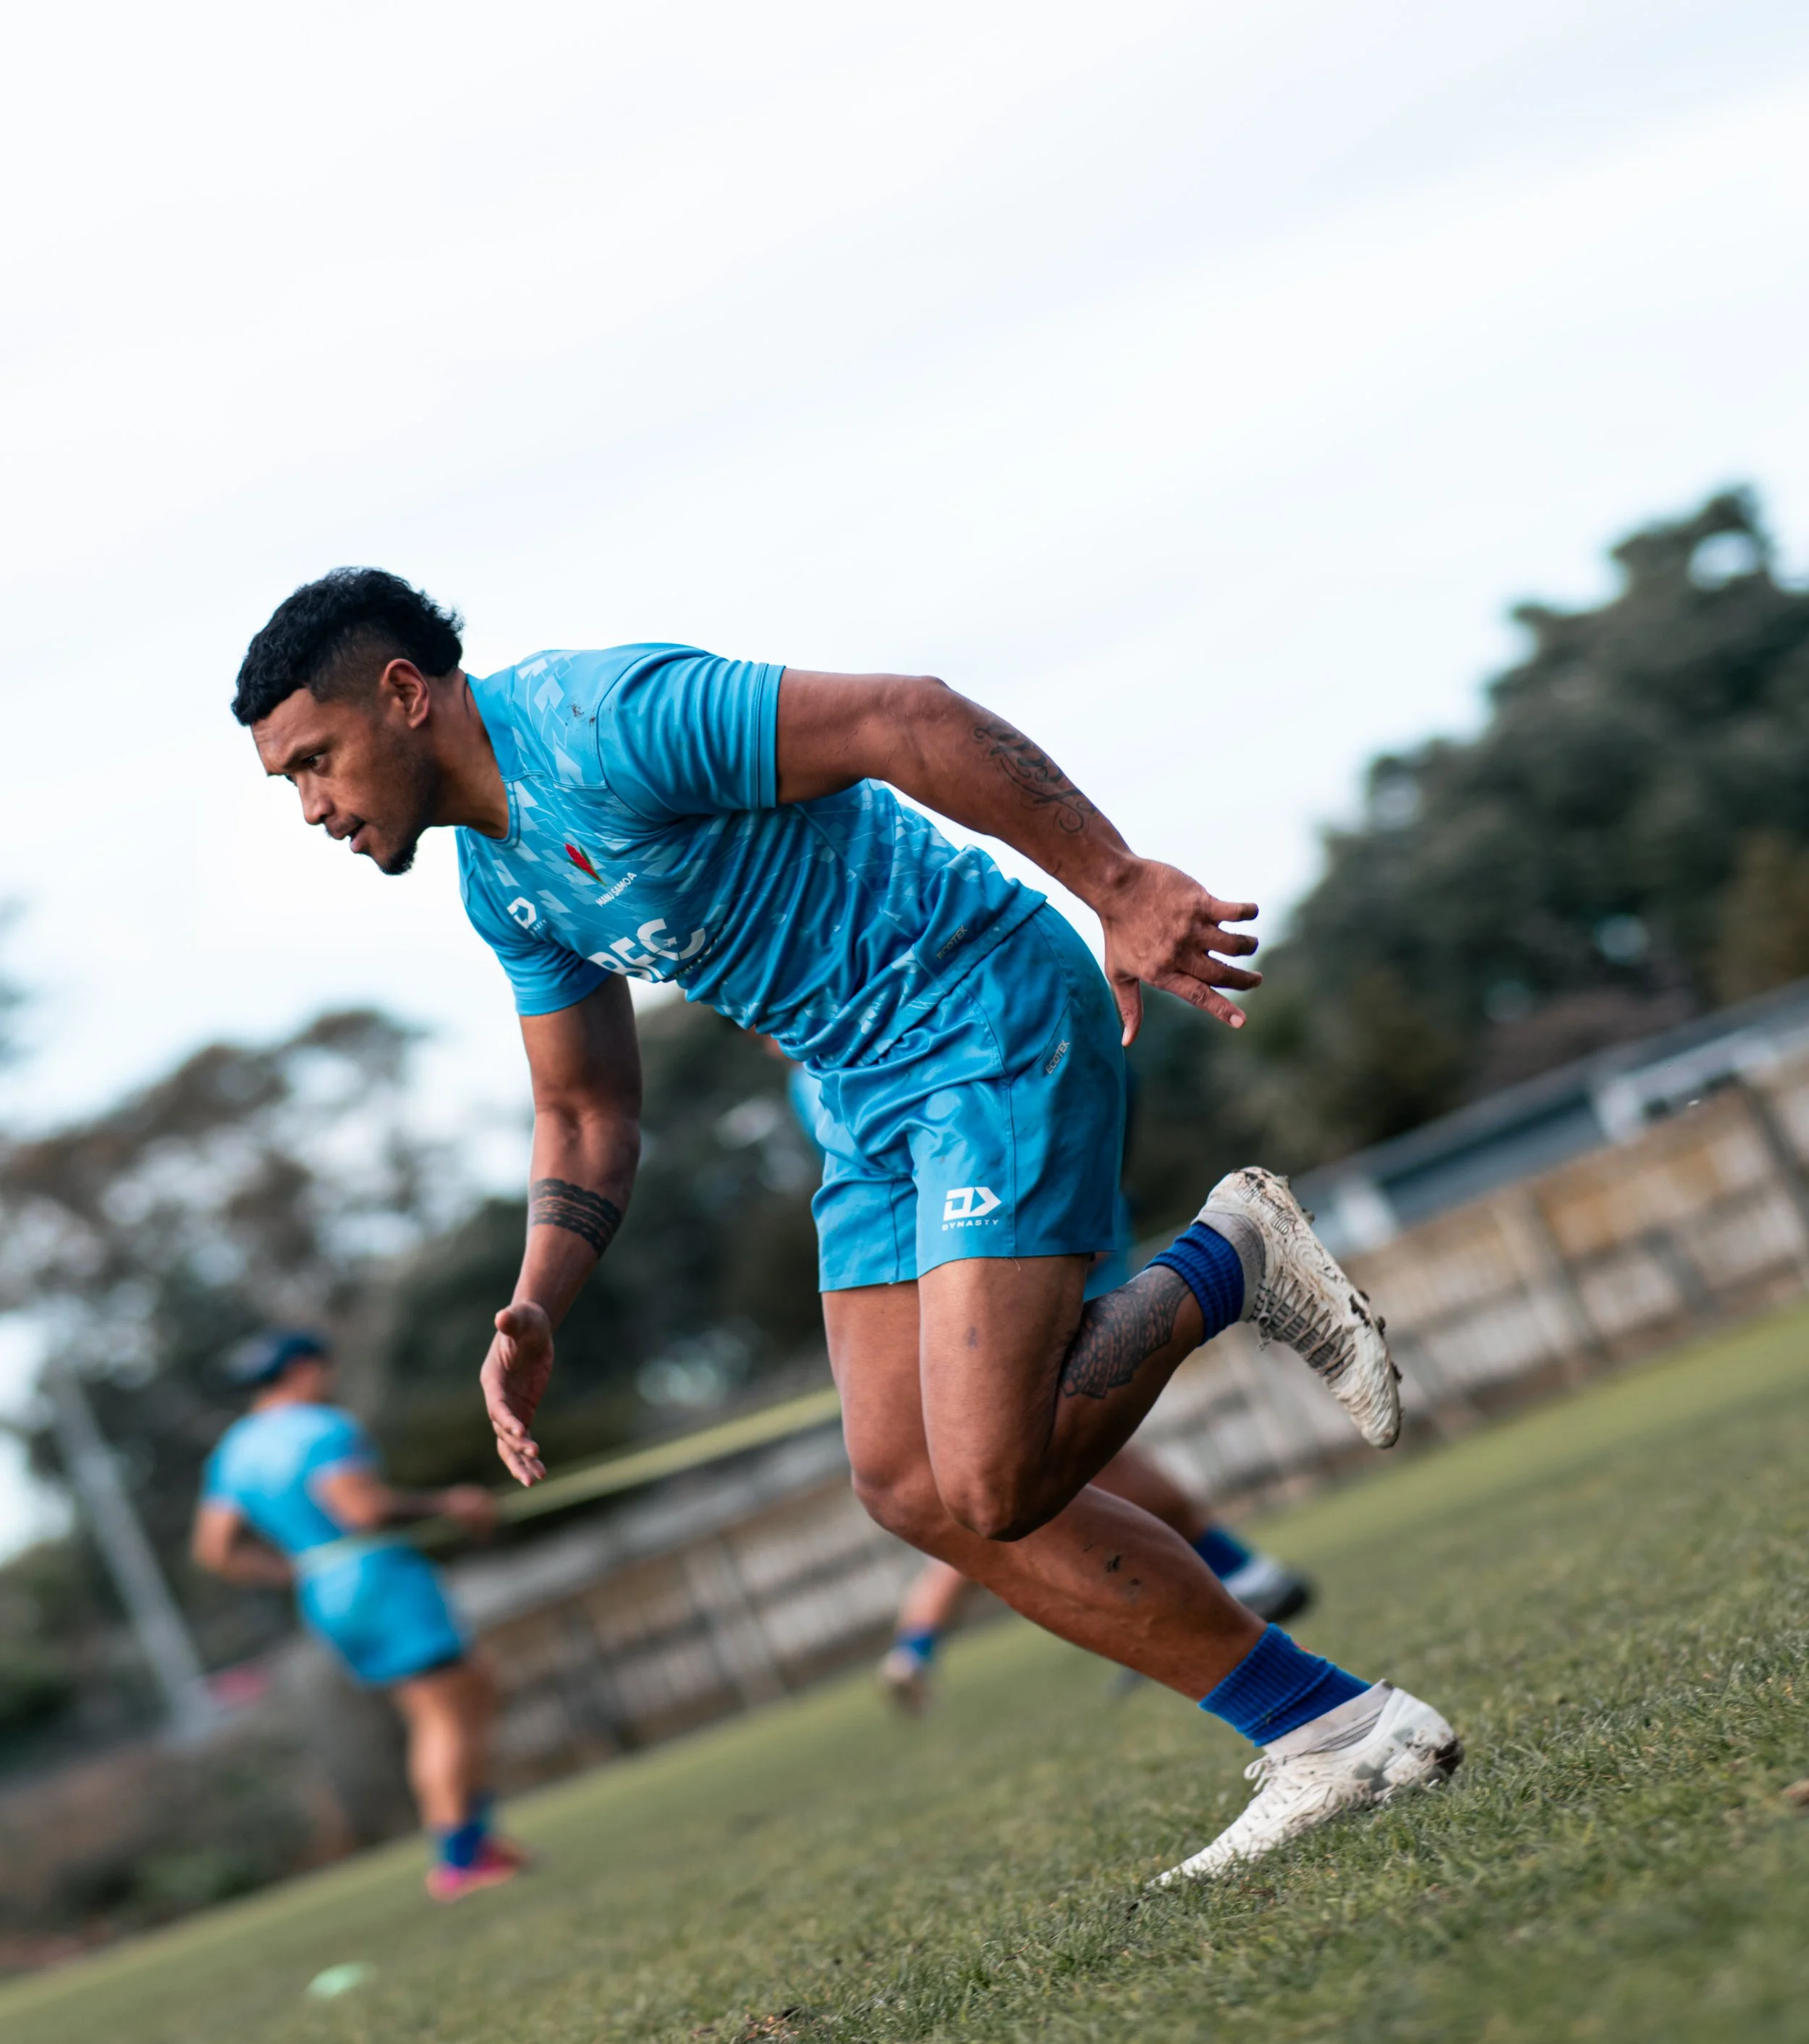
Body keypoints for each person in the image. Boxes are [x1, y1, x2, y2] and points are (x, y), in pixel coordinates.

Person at [232, 569, 1462, 1883]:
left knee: (993, 1477)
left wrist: (1116, 884)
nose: (313, 807)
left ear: (405, 696)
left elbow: (906, 717)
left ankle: (1237, 1258)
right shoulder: (500, 884)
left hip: (980, 1013)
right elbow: (586, 1110)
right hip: (858, 1094)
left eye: (316, 762)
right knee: (911, 1489)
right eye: (287, 784)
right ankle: (1333, 1729)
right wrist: (537, 1305)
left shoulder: (607, 719)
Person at [785, 1064, 1315, 1710]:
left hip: (1000, 1204)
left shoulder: (876, 1014)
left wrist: (1088, 1171)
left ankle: (1230, 1255)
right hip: (939, 1226)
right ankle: (1251, 1597)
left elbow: (1107, 1066)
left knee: (1013, 1456)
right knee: (961, 1476)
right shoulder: (806, 1073)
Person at [191, 1330, 527, 1901]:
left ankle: (477, 1841)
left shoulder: (234, 1450)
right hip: (378, 1577)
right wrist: (451, 1503)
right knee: (442, 1714)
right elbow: (360, 1508)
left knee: (472, 1688)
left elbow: (215, 1550)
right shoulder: (323, 1427)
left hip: (324, 1587)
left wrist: (294, 1568)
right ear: (302, 1369)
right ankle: (458, 1859)